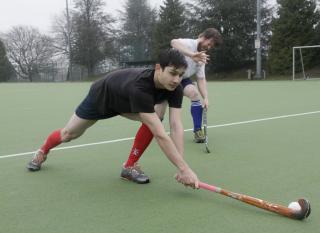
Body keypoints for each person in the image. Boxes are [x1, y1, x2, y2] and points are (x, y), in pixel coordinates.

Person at [26, 48, 199, 189]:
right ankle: (42, 151)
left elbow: (176, 125)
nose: (177, 79)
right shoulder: (141, 88)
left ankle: (129, 166)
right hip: (103, 96)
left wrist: (181, 166)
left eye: (181, 75)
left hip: (127, 101)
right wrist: (184, 169)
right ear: (158, 68)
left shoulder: (175, 88)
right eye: (172, 73)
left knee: (156, 117)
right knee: (68, 134)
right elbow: (161, 135)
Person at [121, 28, 222, 183]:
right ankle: (131, 162)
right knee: (157, 117)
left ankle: (197, 131)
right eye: (210, 42)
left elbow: (201, 79)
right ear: (203, 36)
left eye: (212, 46)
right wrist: (191, 55)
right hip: (167, 79)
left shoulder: (201, 58)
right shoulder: (189, 43)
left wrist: (206, 97)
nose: (209, 46)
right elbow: (173, 42)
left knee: (194, 95)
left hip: (182, 80)